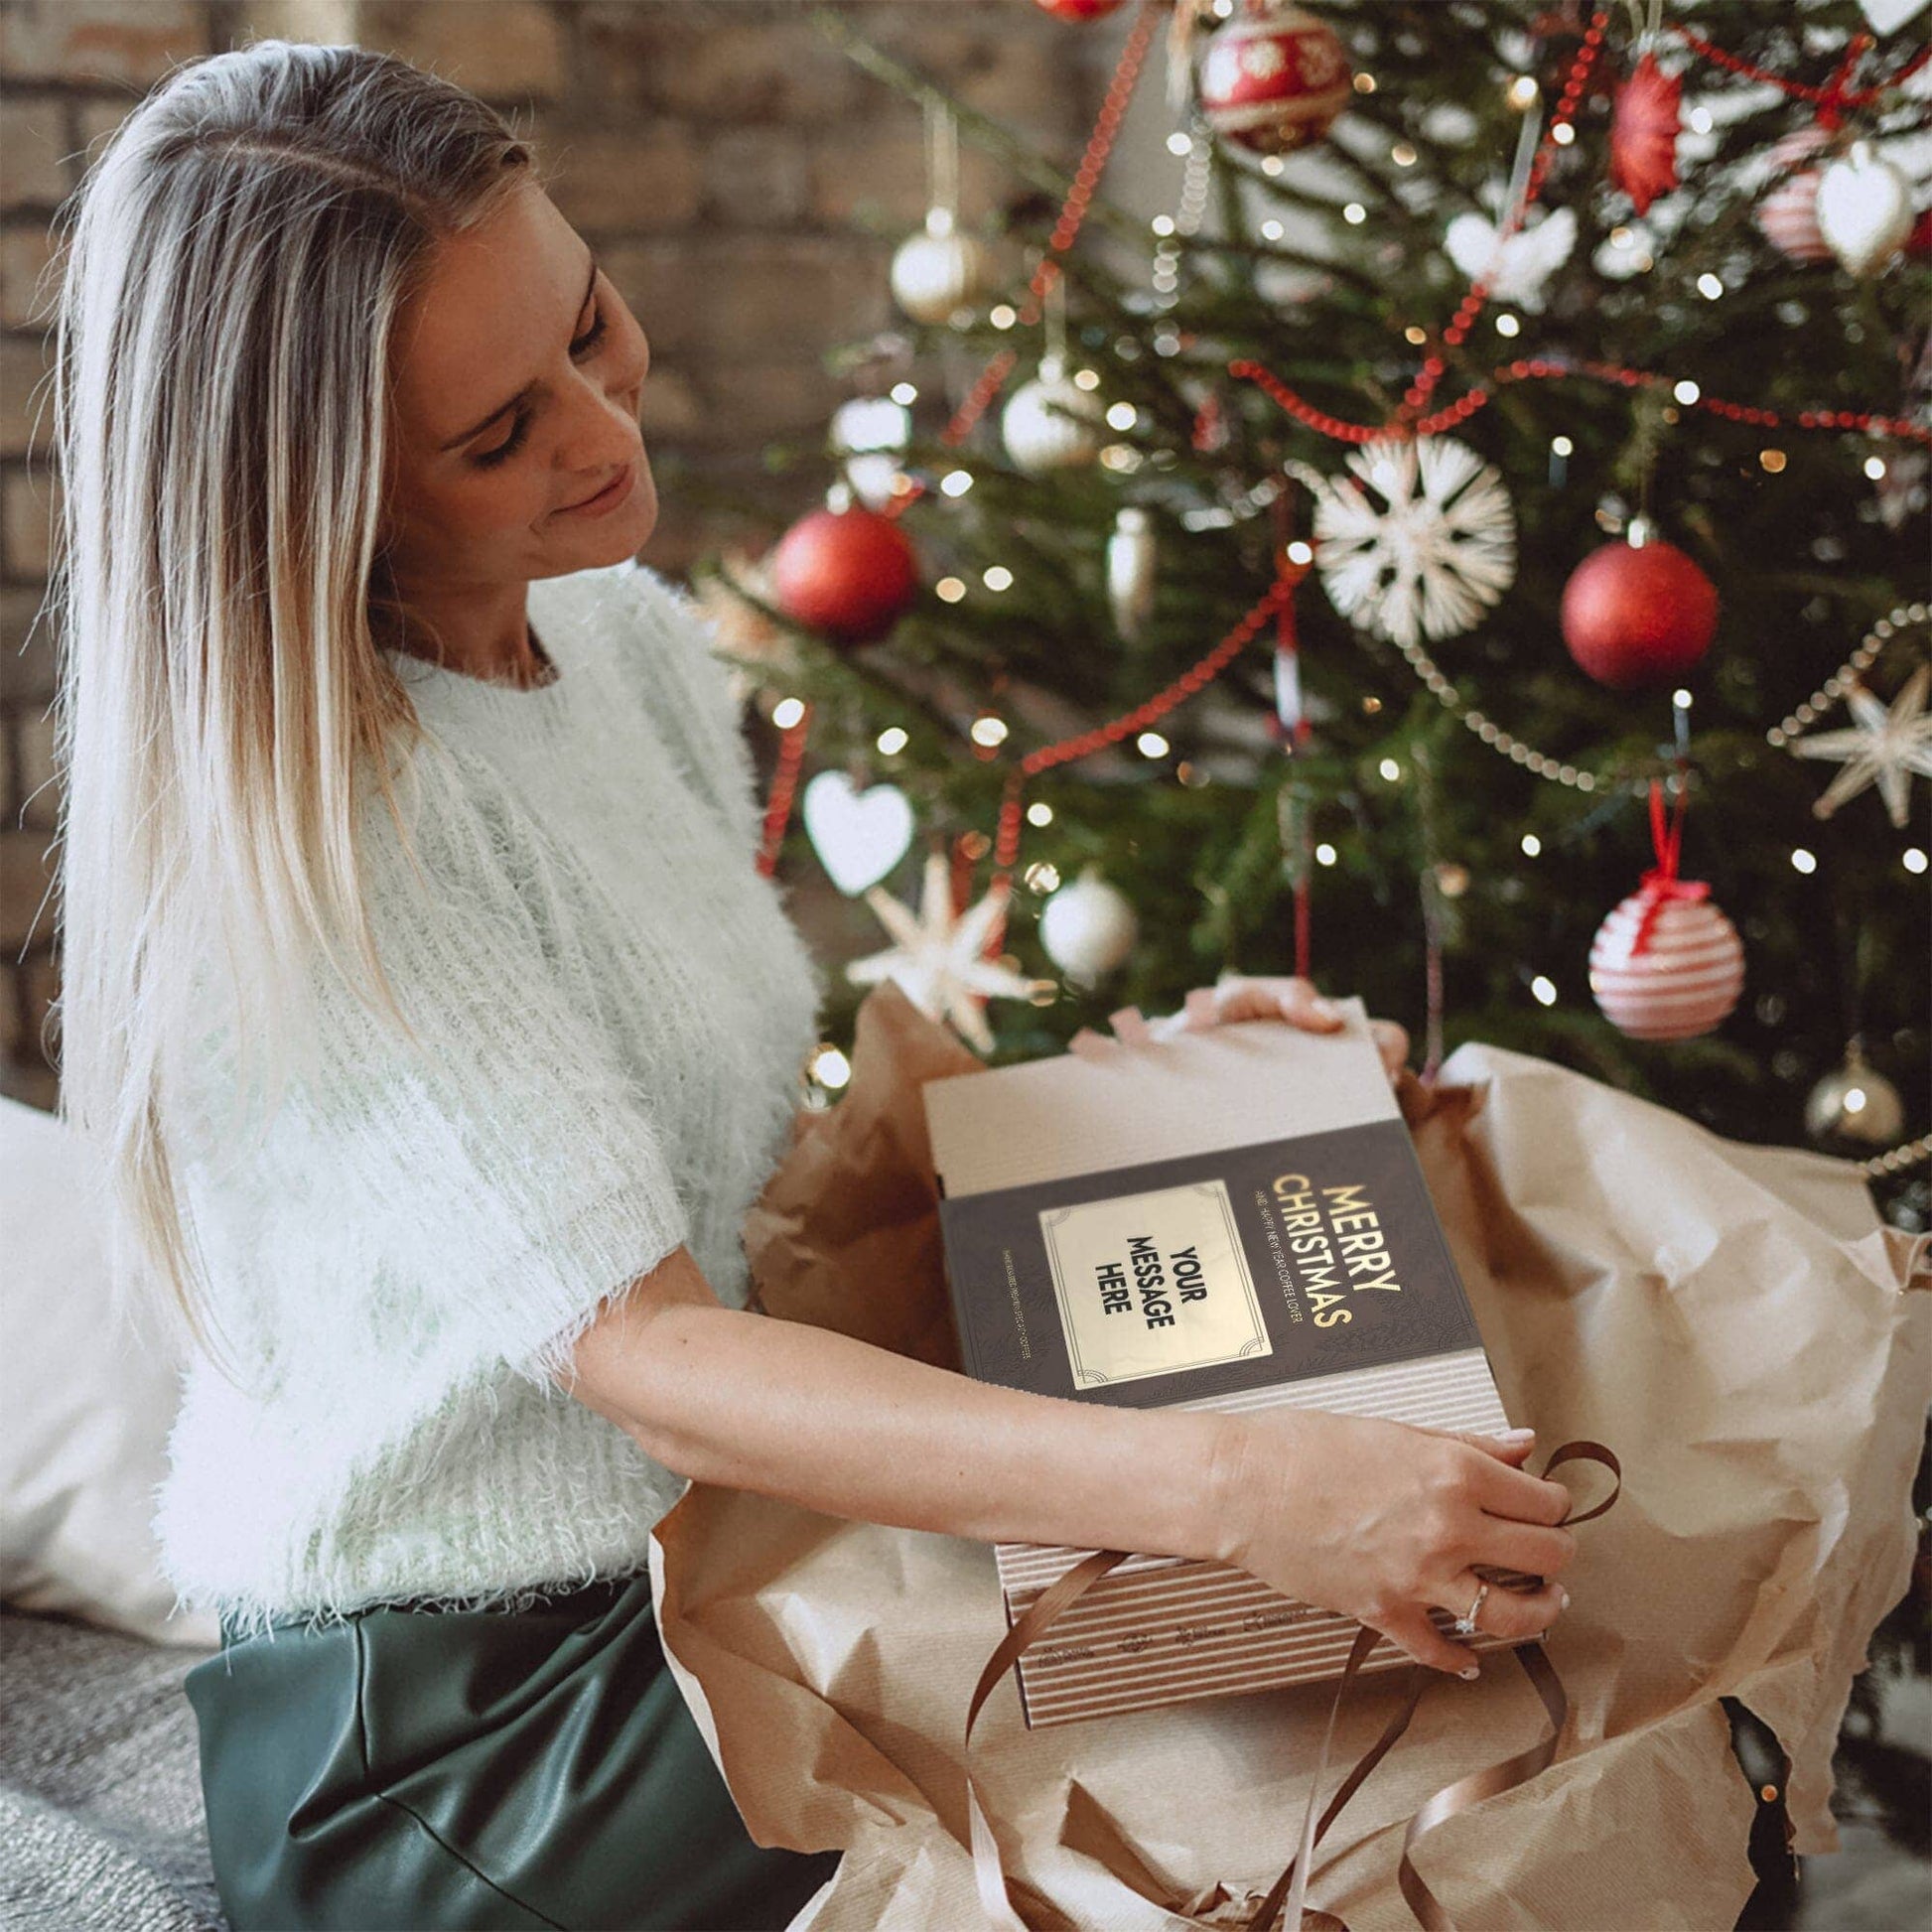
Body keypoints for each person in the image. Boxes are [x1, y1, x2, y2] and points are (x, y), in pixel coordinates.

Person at [46, 40, 1576, 1932]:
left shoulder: (613, 636)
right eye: (497, 435)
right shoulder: (339, 842)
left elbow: (722, 1137)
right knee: (1246, 1733)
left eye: (586, 326)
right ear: (310, 503)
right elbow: (663, 1367)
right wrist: (1237, 1488)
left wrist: (1160, 1082)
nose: (603, 434)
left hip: (716, 1561)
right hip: (470, 1739)